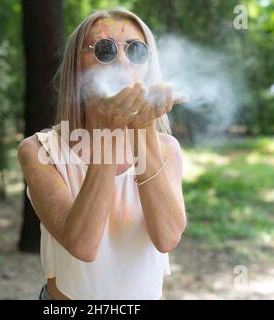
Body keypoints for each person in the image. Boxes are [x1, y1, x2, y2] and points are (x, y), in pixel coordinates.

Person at [18, 8, 187, 300]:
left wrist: (142, 129)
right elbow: (82, 245)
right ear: (76, 67)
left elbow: (167, 237)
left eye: (135, 50)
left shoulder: (166, 149)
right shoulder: (39, 151)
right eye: (105, 49)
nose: (122, 60)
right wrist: (109, 132)